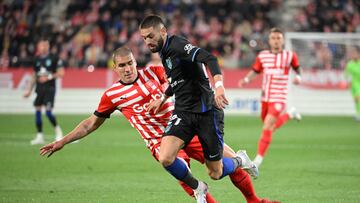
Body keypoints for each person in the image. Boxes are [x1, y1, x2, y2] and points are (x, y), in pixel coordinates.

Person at [40, 46, 278, 203]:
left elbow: (180, 77)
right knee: (196, 189)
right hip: (159, 144)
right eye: (121, 65)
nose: (127, 68)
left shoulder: (154, 72)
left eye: (130, 63)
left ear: (135, 61)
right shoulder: (112, 95)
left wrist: (165, 94)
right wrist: (63, 141)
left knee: (227, 161)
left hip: (185, 127)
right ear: (115, 68)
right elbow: (90, 124)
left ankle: (254, 200)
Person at [139, 15, 259, 202]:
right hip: (184, 113)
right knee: (166, 158)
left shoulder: (178, 45)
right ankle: (198, 187)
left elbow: (210, 58)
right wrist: (163, 98)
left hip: (207, 112)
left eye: (151, 36)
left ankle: (240, 160)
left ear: (163, 31)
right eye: (144, 38)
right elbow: (177, 78)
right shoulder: (163, 51)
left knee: (215, 173)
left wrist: (219, 86)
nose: (147, 41)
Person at [238, 28, 302, 167]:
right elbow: (255, 71)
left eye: (279, 38)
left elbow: (297, 69)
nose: (276, 41)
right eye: (273, 38)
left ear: (283, 40)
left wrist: (298, 77)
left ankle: (258, 160)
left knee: (267, 125)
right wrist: (246, 80)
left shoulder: (289, 56)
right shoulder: (263, 56)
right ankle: (290, 114)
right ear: (269, 40)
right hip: (265, 97)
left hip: (279, 97)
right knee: (269, 127)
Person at [24, 39, 65, 145]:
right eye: (41, 45)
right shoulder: (36, 59)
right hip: (39, 89)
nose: (43, 47)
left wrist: (49, 77)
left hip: (50, 89)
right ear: (38, 46)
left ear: (48, 46)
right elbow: (34, 75)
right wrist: (29, 90)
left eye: (45, 45)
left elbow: (61, 73)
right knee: (37, 109)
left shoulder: (54, 58)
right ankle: (39, 135)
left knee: (48, 112)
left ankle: (58, 131)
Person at [345, 46, 360, 121]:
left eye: (355, 53)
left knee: (358, 97)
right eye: (352, 53)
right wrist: (348, 83)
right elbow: (348, 75)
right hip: (353, 84)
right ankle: (358, 113)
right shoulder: (350, 64)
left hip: (359, 83)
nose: (353, 55)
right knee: (356, 100)